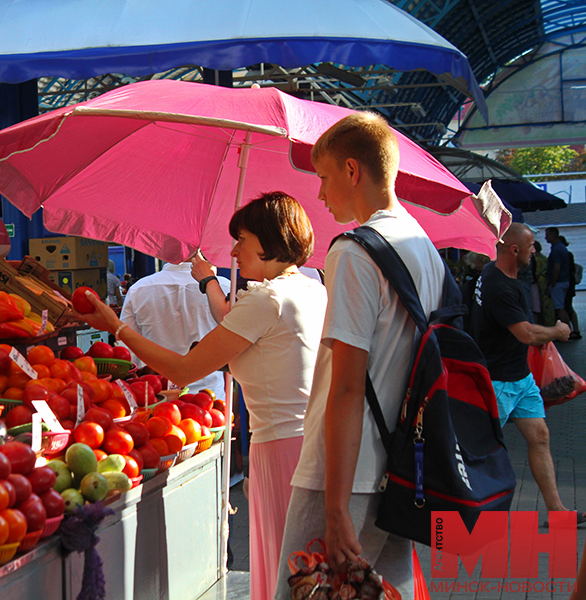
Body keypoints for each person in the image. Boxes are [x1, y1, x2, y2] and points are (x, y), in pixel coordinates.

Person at [73, 192, 326, 600]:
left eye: (241, 238)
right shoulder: (310, 289)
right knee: (305, 569)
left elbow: (184, 370)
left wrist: (115, 326)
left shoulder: (268, 298)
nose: (234, 250)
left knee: (288, 571)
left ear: (267, 239)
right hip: (307, 442)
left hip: (281, 448)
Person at [276, 112, 445, 600]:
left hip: (348, 473)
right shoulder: (422, 246)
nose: (322, 194)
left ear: (353, 171)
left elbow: (348, 387)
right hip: (403, 468)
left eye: (324, 178)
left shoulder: (353, 252)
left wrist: (334, 509)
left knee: (303, 592)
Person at [470, 223, 583, 525]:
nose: (535, 251)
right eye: (531, 246)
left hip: (520, 379)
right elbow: (526, 333)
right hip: (497, 382)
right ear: (514, 249)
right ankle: (462, 512)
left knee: (540, 436)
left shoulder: (499, 274)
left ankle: (557, 512)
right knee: (479, 450)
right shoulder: (499, 286)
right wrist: (558, 331)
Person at [119, 261, 231, 400]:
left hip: (157, 396)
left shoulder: (139, 289)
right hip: (211, 398)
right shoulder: (223, 287)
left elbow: (128, 355)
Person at [546, 227, 571, 326]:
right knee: (562, 306)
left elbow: (557, 267)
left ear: (554, 235)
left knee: (559, 308)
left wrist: (552, 283)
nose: (545, 238)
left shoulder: (556, 250)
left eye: (547, 235)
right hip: (564, 280)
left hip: (558, 282)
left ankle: (566, 329)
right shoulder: (561, 248)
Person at [532, 241, 555, 327]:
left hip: (539, 283)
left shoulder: (536, 260)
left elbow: (536, 273)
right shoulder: (544, 258)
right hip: (545, 281)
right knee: (547, 305)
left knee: (539, 305)